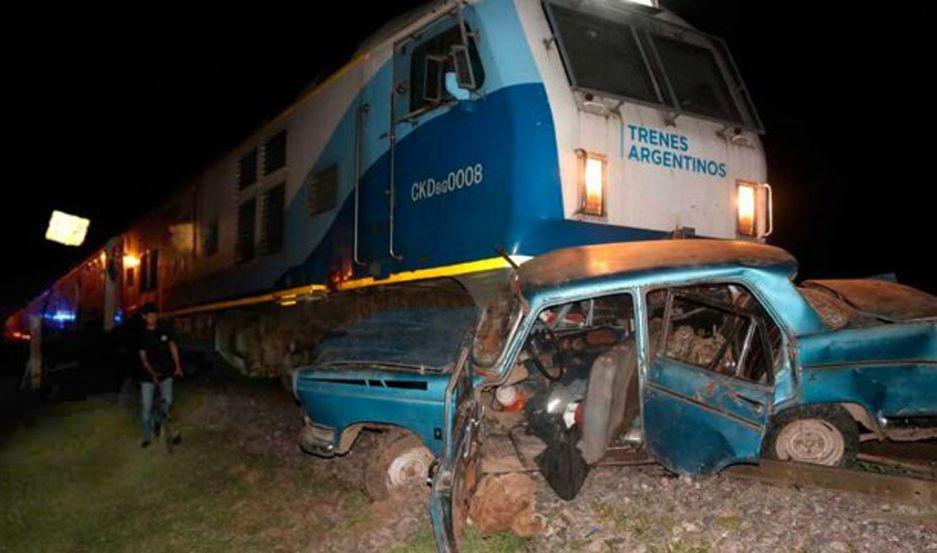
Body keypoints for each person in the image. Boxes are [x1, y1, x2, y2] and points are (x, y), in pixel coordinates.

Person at [138, 302, 183, 447]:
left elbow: (172, 346)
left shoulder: (165, 329)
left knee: (167, 403)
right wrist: (152, 373)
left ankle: (163, 425)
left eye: (155, 315)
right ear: (144, 317)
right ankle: (146, 436)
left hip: (166, 372)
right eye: (150, 316)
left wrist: (177, 366)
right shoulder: (142, 335)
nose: (153, 318)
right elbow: (143, 358)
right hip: (147, 377)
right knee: (146, 407)